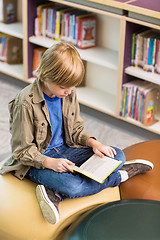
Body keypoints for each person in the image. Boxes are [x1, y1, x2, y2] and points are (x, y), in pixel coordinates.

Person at [0, 42, 153, 224]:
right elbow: (21, 151)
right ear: (47, 76)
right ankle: (118, 176)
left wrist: (93, 143)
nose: (70, 91)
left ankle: (55, 192)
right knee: (72, 187)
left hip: (67, 149)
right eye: (65, 87)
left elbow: (76, 130)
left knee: (117, 155)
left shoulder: (68, 92)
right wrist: (49, 162)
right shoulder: (25, 103)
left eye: (72, 87)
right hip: (37, 162)